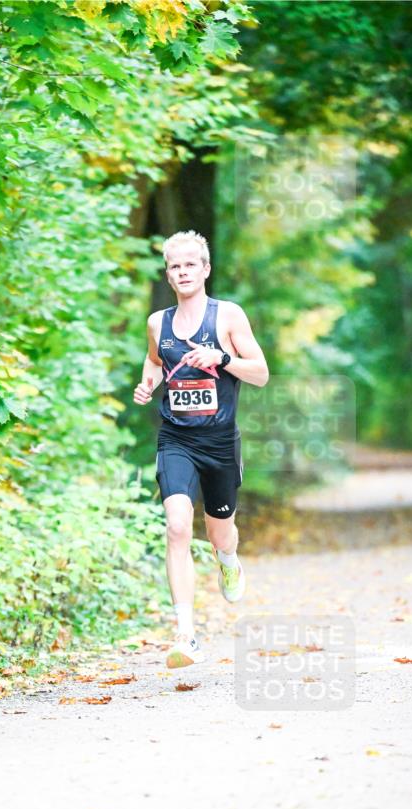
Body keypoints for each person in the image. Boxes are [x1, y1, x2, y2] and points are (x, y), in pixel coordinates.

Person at [133, 231, 269, 668]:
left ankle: (228, 559)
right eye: (175, 266)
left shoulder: (227, 316)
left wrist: (222, 359)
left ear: (205, 269)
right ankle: (186, 634)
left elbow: (261, 373)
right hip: (176, 438)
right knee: (176, 526)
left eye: (191, 264)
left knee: (219, 533)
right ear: (168, 274)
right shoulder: (158, 322)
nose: (183, 271)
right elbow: (155, 360)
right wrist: (147, 382)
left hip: (219, 442)